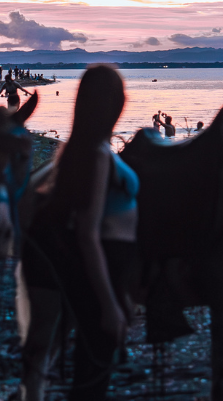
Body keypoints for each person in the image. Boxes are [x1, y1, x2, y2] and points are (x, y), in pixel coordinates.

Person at [22, 65, 136, 401]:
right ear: (112, 103)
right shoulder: (98, 156)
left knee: (89, 367)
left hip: (106, 266)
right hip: (105, 265)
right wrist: (109, 303)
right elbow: (87, 232)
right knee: (92, 374)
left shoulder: (79, 149)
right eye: (120, 95)